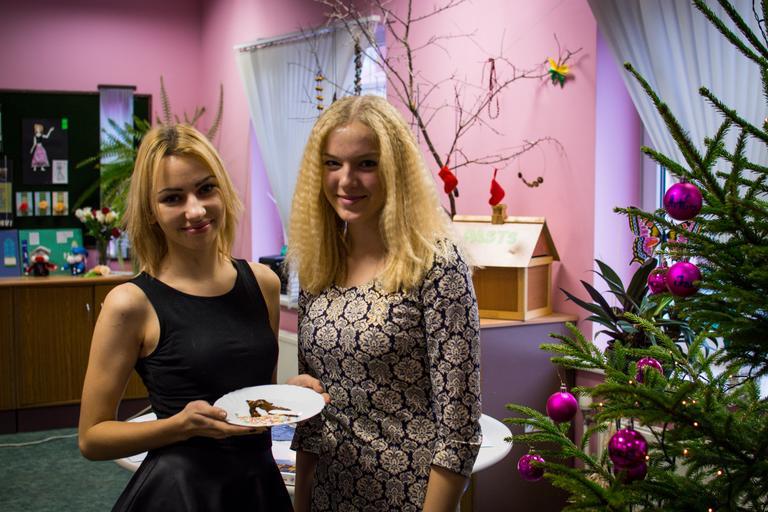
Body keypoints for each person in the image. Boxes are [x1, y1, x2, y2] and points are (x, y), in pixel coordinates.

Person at [78, 123, 293, 511]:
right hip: (182, 493)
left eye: (206, 189)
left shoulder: (263, 283)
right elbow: (92, 439)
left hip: (259, 486)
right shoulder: (131, 304)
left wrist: (294, 396)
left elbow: (256, 400)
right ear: (151, 211)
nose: (195, 210)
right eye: (173, 198)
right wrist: (178, 426)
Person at [286, 95, 482, 512]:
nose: (346, 180)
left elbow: (459, 433)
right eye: (333, 163)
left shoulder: (436, 264)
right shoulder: (320, 264)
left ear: (395, 170)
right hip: (330, 494)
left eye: (366, 164)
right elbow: (312, 422)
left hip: (410, 496)